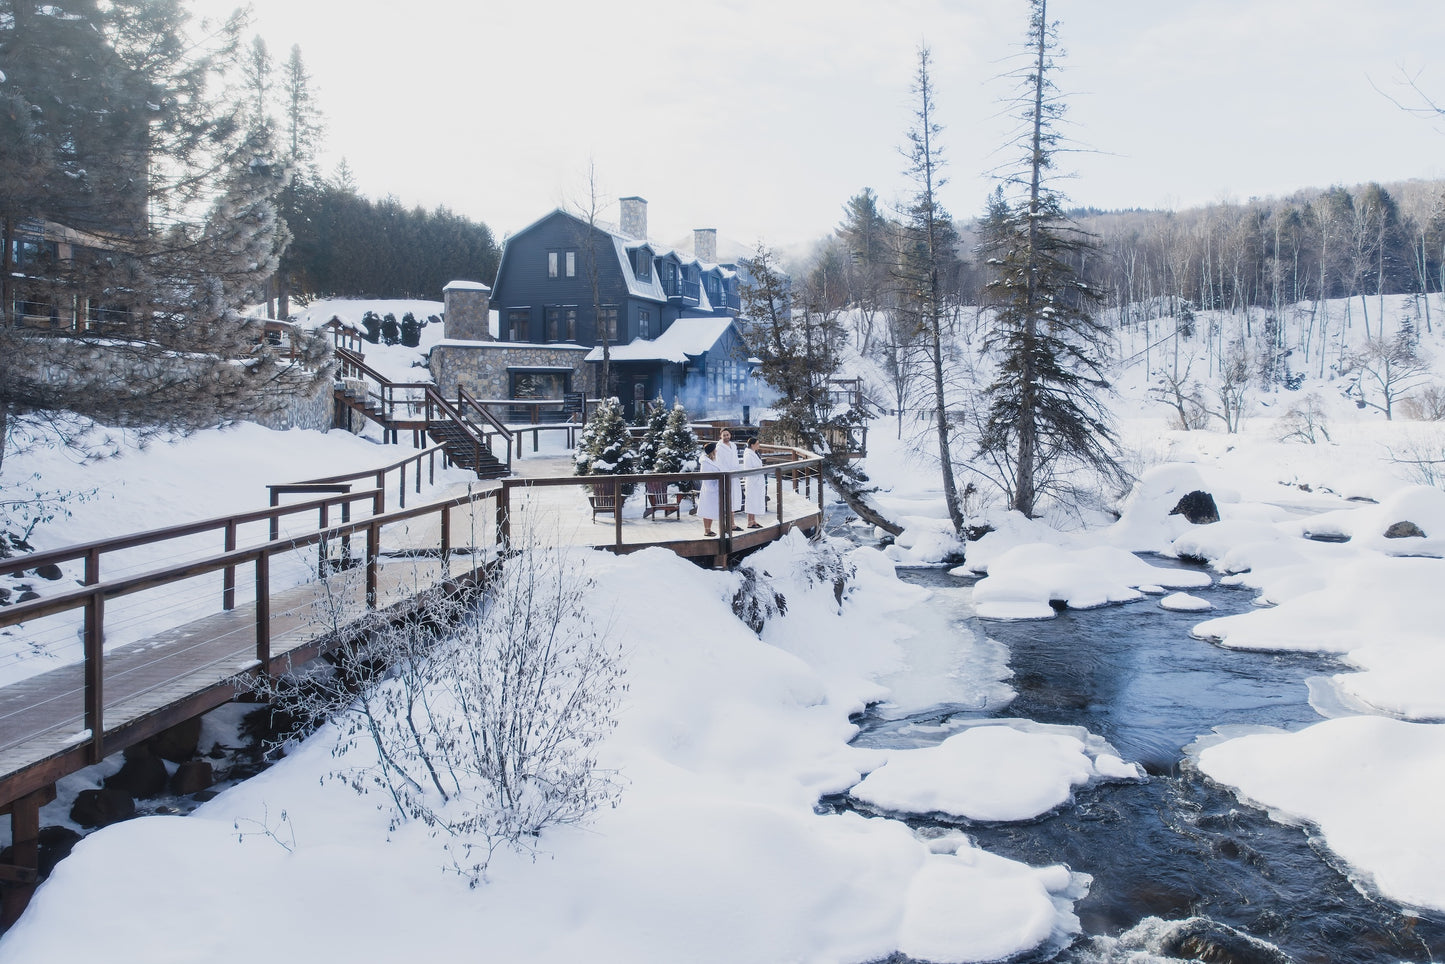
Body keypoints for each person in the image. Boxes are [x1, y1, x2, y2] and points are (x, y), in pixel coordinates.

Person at [714, 428, 743, 531]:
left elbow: (736, 460)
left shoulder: (733, 445)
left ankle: (732, 523)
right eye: (724, 435)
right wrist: (727, 473)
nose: (726, 437)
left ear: (730, 435)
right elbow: (719, 463)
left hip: (734, 475)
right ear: (720, 436)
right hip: (726, 475)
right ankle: (728, 524)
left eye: (727, 435)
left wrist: (738, 470)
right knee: (727, 499)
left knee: (734, 499)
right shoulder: (719, 448)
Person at [697, 441, 722, 536]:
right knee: (707, 509)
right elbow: (705, 477)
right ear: (712, 451)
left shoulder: (713, 461)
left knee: (711, 510)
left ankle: (709, 529)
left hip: (715, 487)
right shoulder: (705, 463)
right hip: (709, 489)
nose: (716, 451)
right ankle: (707, 530)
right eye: (715, 449)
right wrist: (712, 487)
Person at [741, 436, 767, 528]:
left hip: (757, 480)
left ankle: (753, 520)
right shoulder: (748, 455)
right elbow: (748, 469)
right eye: (757, 444)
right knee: (751, 501)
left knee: (755, 500)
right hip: (752, 481)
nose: (758, 445)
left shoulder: (754, 453)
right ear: (752, 445)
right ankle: (749, 522)